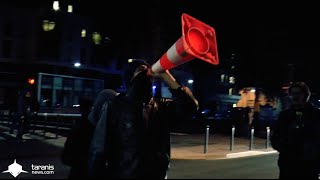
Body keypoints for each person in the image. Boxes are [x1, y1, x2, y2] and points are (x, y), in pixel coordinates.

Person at [87, 59, 199, 178]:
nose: (147, 72)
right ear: (130, 77)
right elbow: (98, 151)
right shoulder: (115, 106)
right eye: (141, 70)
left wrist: (168, 78)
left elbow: (191, 107)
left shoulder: (162, 106)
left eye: (148, 69)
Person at [271, 82, 320, 179]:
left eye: (298, 93)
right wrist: (284, 149)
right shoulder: (285, 115)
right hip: (288, 163)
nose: (295, 97)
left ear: (305, 95)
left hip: (309, 164)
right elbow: (275, 136)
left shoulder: (316, 114)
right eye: (292, 94)